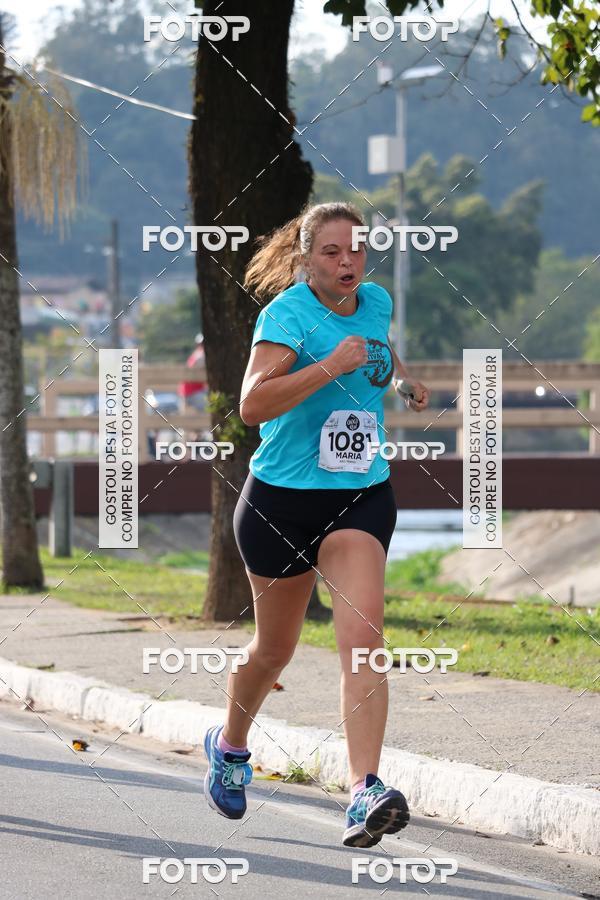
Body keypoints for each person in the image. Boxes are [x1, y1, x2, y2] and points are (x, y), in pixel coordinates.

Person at [203, 202, 430, 847]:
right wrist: (330, 365)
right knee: (274, 649)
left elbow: (380, 351)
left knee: (364, 642)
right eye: (331, 253)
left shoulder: (376, 300)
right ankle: (231, 744)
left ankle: (364, 793)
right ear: (305, 258)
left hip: (359, 494)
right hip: (281, 500)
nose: (347, 263)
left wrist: (403, 381)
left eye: (356, 251)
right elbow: (252, 405)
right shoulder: (285, 316)